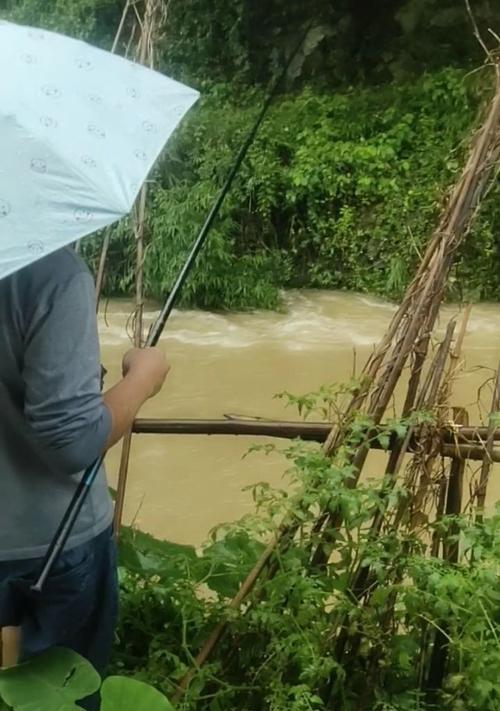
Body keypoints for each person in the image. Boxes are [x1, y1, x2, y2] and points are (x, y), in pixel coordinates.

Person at [0, 246, 169, 705]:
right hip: (49, 551)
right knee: (58, 695)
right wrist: (142, 380)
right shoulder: (47, 271)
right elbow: (71, 441)